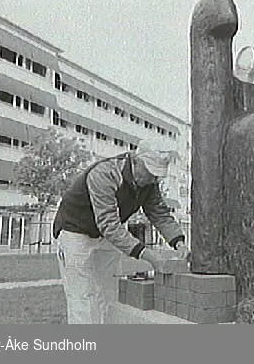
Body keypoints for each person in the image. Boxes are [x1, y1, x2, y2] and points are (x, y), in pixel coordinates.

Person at [52, 138, 188, 324]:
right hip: (75, 231)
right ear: (136, 160)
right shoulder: (104, 174)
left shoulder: (149, 183)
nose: (153, 178)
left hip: (105, 234)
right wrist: (149, 256)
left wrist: (178, 242)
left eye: (157, 175)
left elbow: (159, 213)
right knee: (82, 296)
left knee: (108, 293)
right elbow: (109, 224)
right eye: (150, 171)